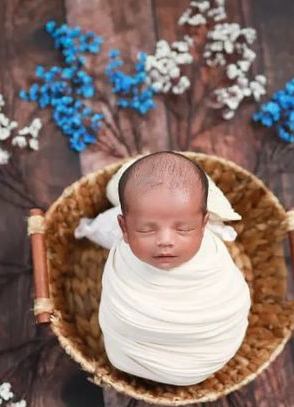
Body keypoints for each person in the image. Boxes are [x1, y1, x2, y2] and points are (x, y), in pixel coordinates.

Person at [75, 151, 251, 386]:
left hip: (207, 353)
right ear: (124, 228)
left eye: (184, 229)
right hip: (131, 354)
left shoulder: (214, 259)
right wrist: (89, 228)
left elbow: (233, 303)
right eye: (147, 230)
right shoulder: (122, 259)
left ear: (203, 225)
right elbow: (117, 317)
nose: (165, 240)